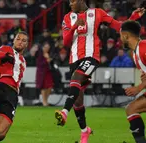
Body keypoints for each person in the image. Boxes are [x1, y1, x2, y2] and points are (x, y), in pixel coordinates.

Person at [55, 0, 145, 142]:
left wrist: (132, 17)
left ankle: (64, 112)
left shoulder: (97, 13)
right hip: (74, 59)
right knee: (78, 100)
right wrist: (74, 27)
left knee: (76, 78)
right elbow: (66, 42)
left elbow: (118, 26)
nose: (70, 4)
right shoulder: (68, 17)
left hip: (92, 56)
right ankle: (85, 131)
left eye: (72, 1)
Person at [120, 20, 146, 143]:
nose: (120, 39)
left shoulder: (143, 47)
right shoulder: (134, 54)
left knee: (131, 109)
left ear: (125, 36)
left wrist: (139, 87)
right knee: (131, 109)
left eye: (121, 36)